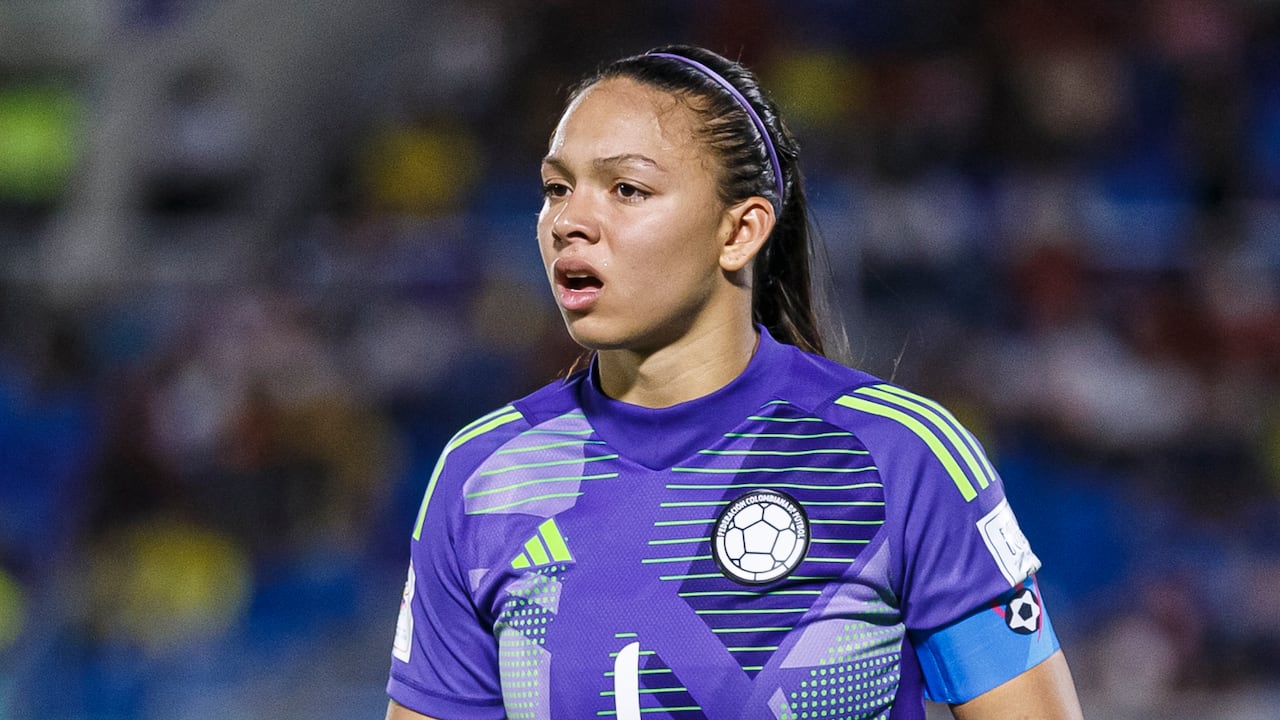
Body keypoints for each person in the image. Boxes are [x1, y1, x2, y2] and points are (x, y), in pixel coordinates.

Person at [385, 44, 1084, 720]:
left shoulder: (899, 457)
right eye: (556, 189)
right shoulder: (484, 475)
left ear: (741, 230)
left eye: (627, 189)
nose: (570, 221)